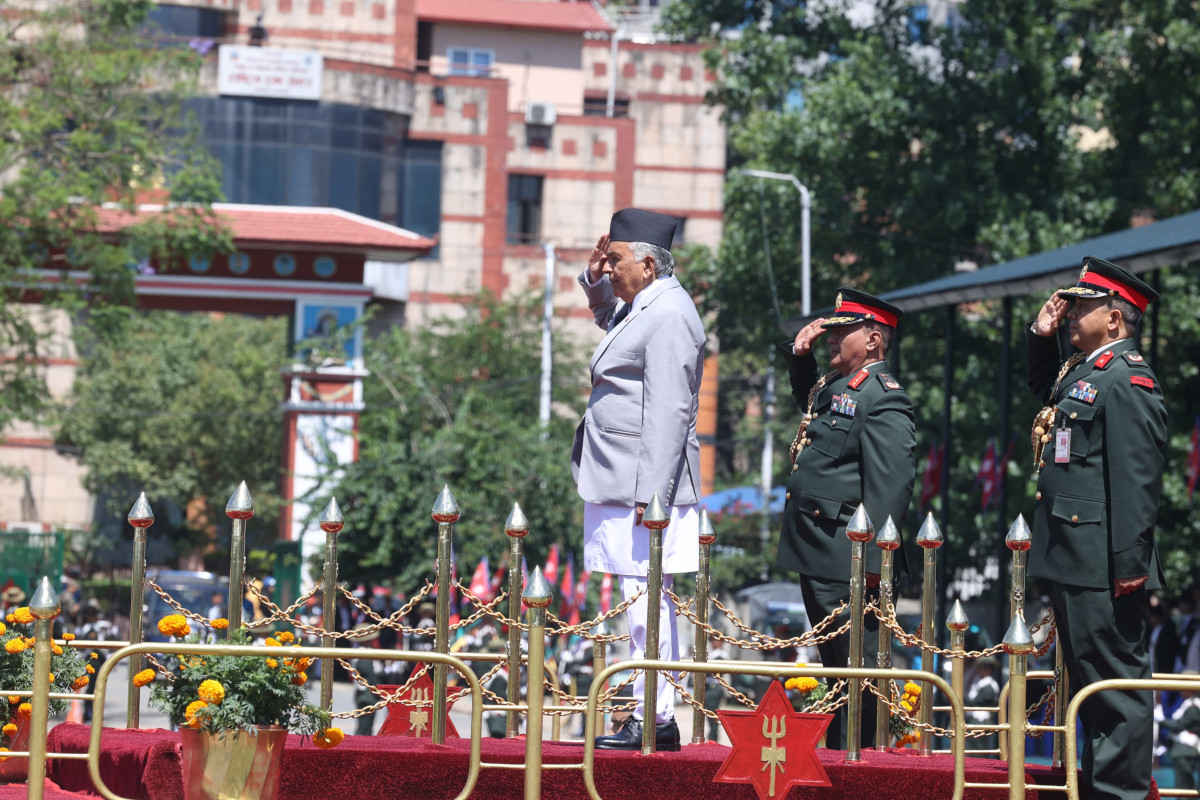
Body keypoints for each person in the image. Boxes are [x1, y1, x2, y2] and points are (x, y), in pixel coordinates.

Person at [1026, 256, 1166, 800]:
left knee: (1115, 691)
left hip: (1104, 562)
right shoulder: (1086, 370)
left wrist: (1130, 564)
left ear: (1114, 319)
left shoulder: (1128, 377)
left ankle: (1122, 793)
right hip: (1074, 553)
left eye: (1082, 306)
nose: (1070, 313)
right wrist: (1041, 338)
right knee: (1091, 689)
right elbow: (1046, 391)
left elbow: (1137, 478)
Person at [571, 208, 705, 752]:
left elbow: (670, 412)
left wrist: (654, 498)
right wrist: (594, 280)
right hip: (621, 476)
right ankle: (651, 712)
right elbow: (615, 325)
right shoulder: (648, 302)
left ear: (648, 265)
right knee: (639, 599)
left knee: (646, 601)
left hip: (641, 487)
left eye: (617, 260)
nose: (611, 268)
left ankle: (655, 716)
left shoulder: (669, 313)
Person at [775, 287, 916, 749]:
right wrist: (801, 358)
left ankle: (863, 764)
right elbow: (812, 405)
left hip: (849, 563)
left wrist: (873, 564)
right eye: (831, 331)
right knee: (838, 671)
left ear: (873, 339)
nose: (831, 338)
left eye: (843, 331)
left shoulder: (884, 397)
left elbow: (890, 488)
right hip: (821, 551)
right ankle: (842, 760)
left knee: (860, 674)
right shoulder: (841, 386)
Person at [1159, 674, 1200, 791]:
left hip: (1186, 750)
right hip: (1182, 749)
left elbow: (1179, 727)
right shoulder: (1186, 703)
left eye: (1184, 685)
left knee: (1185, 789)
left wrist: (1161, 719)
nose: (1181, 689)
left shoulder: (1194, 706)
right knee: (1183, 788)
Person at [966, 655, 1001, 757]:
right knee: (973, 749)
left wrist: (960, 694)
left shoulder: (989, 685)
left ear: (989, 669)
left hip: (982, 720)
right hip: (975, 719)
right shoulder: (981, 683)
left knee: (979, 750)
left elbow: (975, 702)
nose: (980, 670)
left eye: (984, 667)